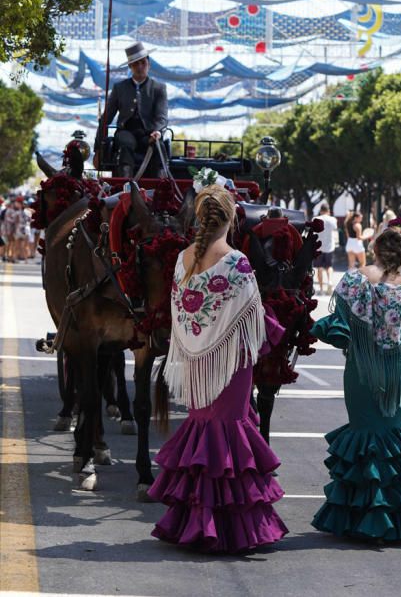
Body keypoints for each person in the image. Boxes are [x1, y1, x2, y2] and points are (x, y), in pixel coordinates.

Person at [148, 184, 288, 553]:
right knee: (230, 434)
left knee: (202, 429)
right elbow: (254, 320)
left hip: (196, 360)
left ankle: (194, 522)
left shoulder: (182, 260)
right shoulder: (237, 262)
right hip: (230, 362)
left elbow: (182, 315)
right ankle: (230, 528)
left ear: (198, 217)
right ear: (232, 218)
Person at [310, 225, 401, 542]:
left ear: (375, 248)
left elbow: (338, 325)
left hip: (362, 371)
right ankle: (394, 519)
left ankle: (361, 518)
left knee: (364, 437)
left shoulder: (356, 279)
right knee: (390, 435)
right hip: (398, 375)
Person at [93, 42, 168, 177]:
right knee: (126, 143)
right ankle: (126, 187)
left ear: (149, 64)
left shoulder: (159, 88)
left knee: (160, 146)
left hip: (149, 134)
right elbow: (106, 118)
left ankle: (159, 188)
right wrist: (98, 148)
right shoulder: (119, 88)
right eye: (135, 64)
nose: (140, 67)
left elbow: (161, 116)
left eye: (143, 63)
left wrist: (157, 132)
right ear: (130, 67)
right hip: (126, 131)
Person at [314, 203, 337, 295]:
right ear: (328, 211)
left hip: (318, 247)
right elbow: (335, 230)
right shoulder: (332, 219)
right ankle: (330, 281)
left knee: (319, 268)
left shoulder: (316, 219)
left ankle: (321, 289)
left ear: (320, 210)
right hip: (329, 247)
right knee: (329, 266)